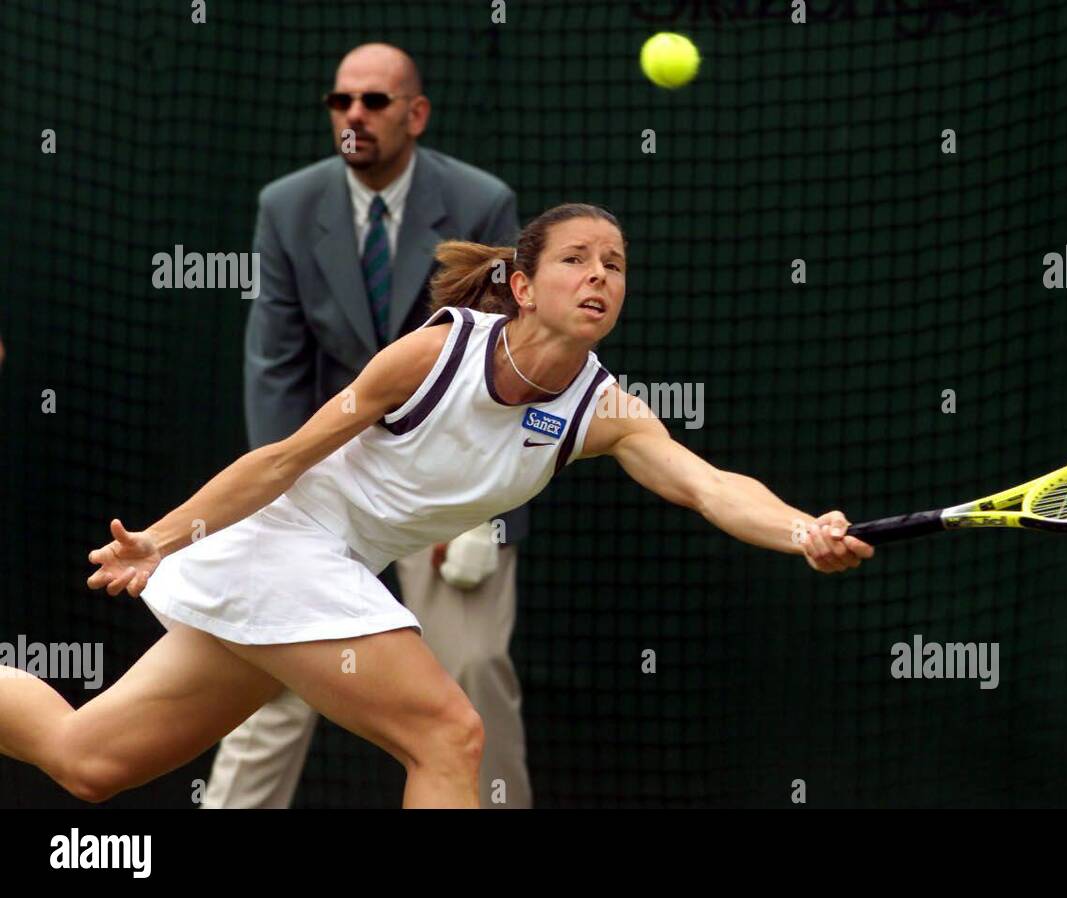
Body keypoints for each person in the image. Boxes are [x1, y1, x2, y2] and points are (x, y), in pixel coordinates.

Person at [0, 203, 873, 808]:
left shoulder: (604, 412)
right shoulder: (432, 356)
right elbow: (281, 461)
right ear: (524, 285)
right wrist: (161, 538)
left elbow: (708, 485)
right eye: (576, 260)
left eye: (615, 266)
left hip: (327, 575)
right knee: (449, 733)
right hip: (287, 546)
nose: (599, 276)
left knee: (89, 762)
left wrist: (804, 531)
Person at [210, 41, 532, 808]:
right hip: (327, 481)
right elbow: (276, 370)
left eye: (375, 102)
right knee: (272, 678)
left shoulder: (482, 202)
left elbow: (504, 366)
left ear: (415, 115)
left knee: (474, 670)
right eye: (341, 101)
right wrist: (276, 510)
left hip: (444, 483)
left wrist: (483, 515)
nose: (354, 116)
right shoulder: (286, 207)